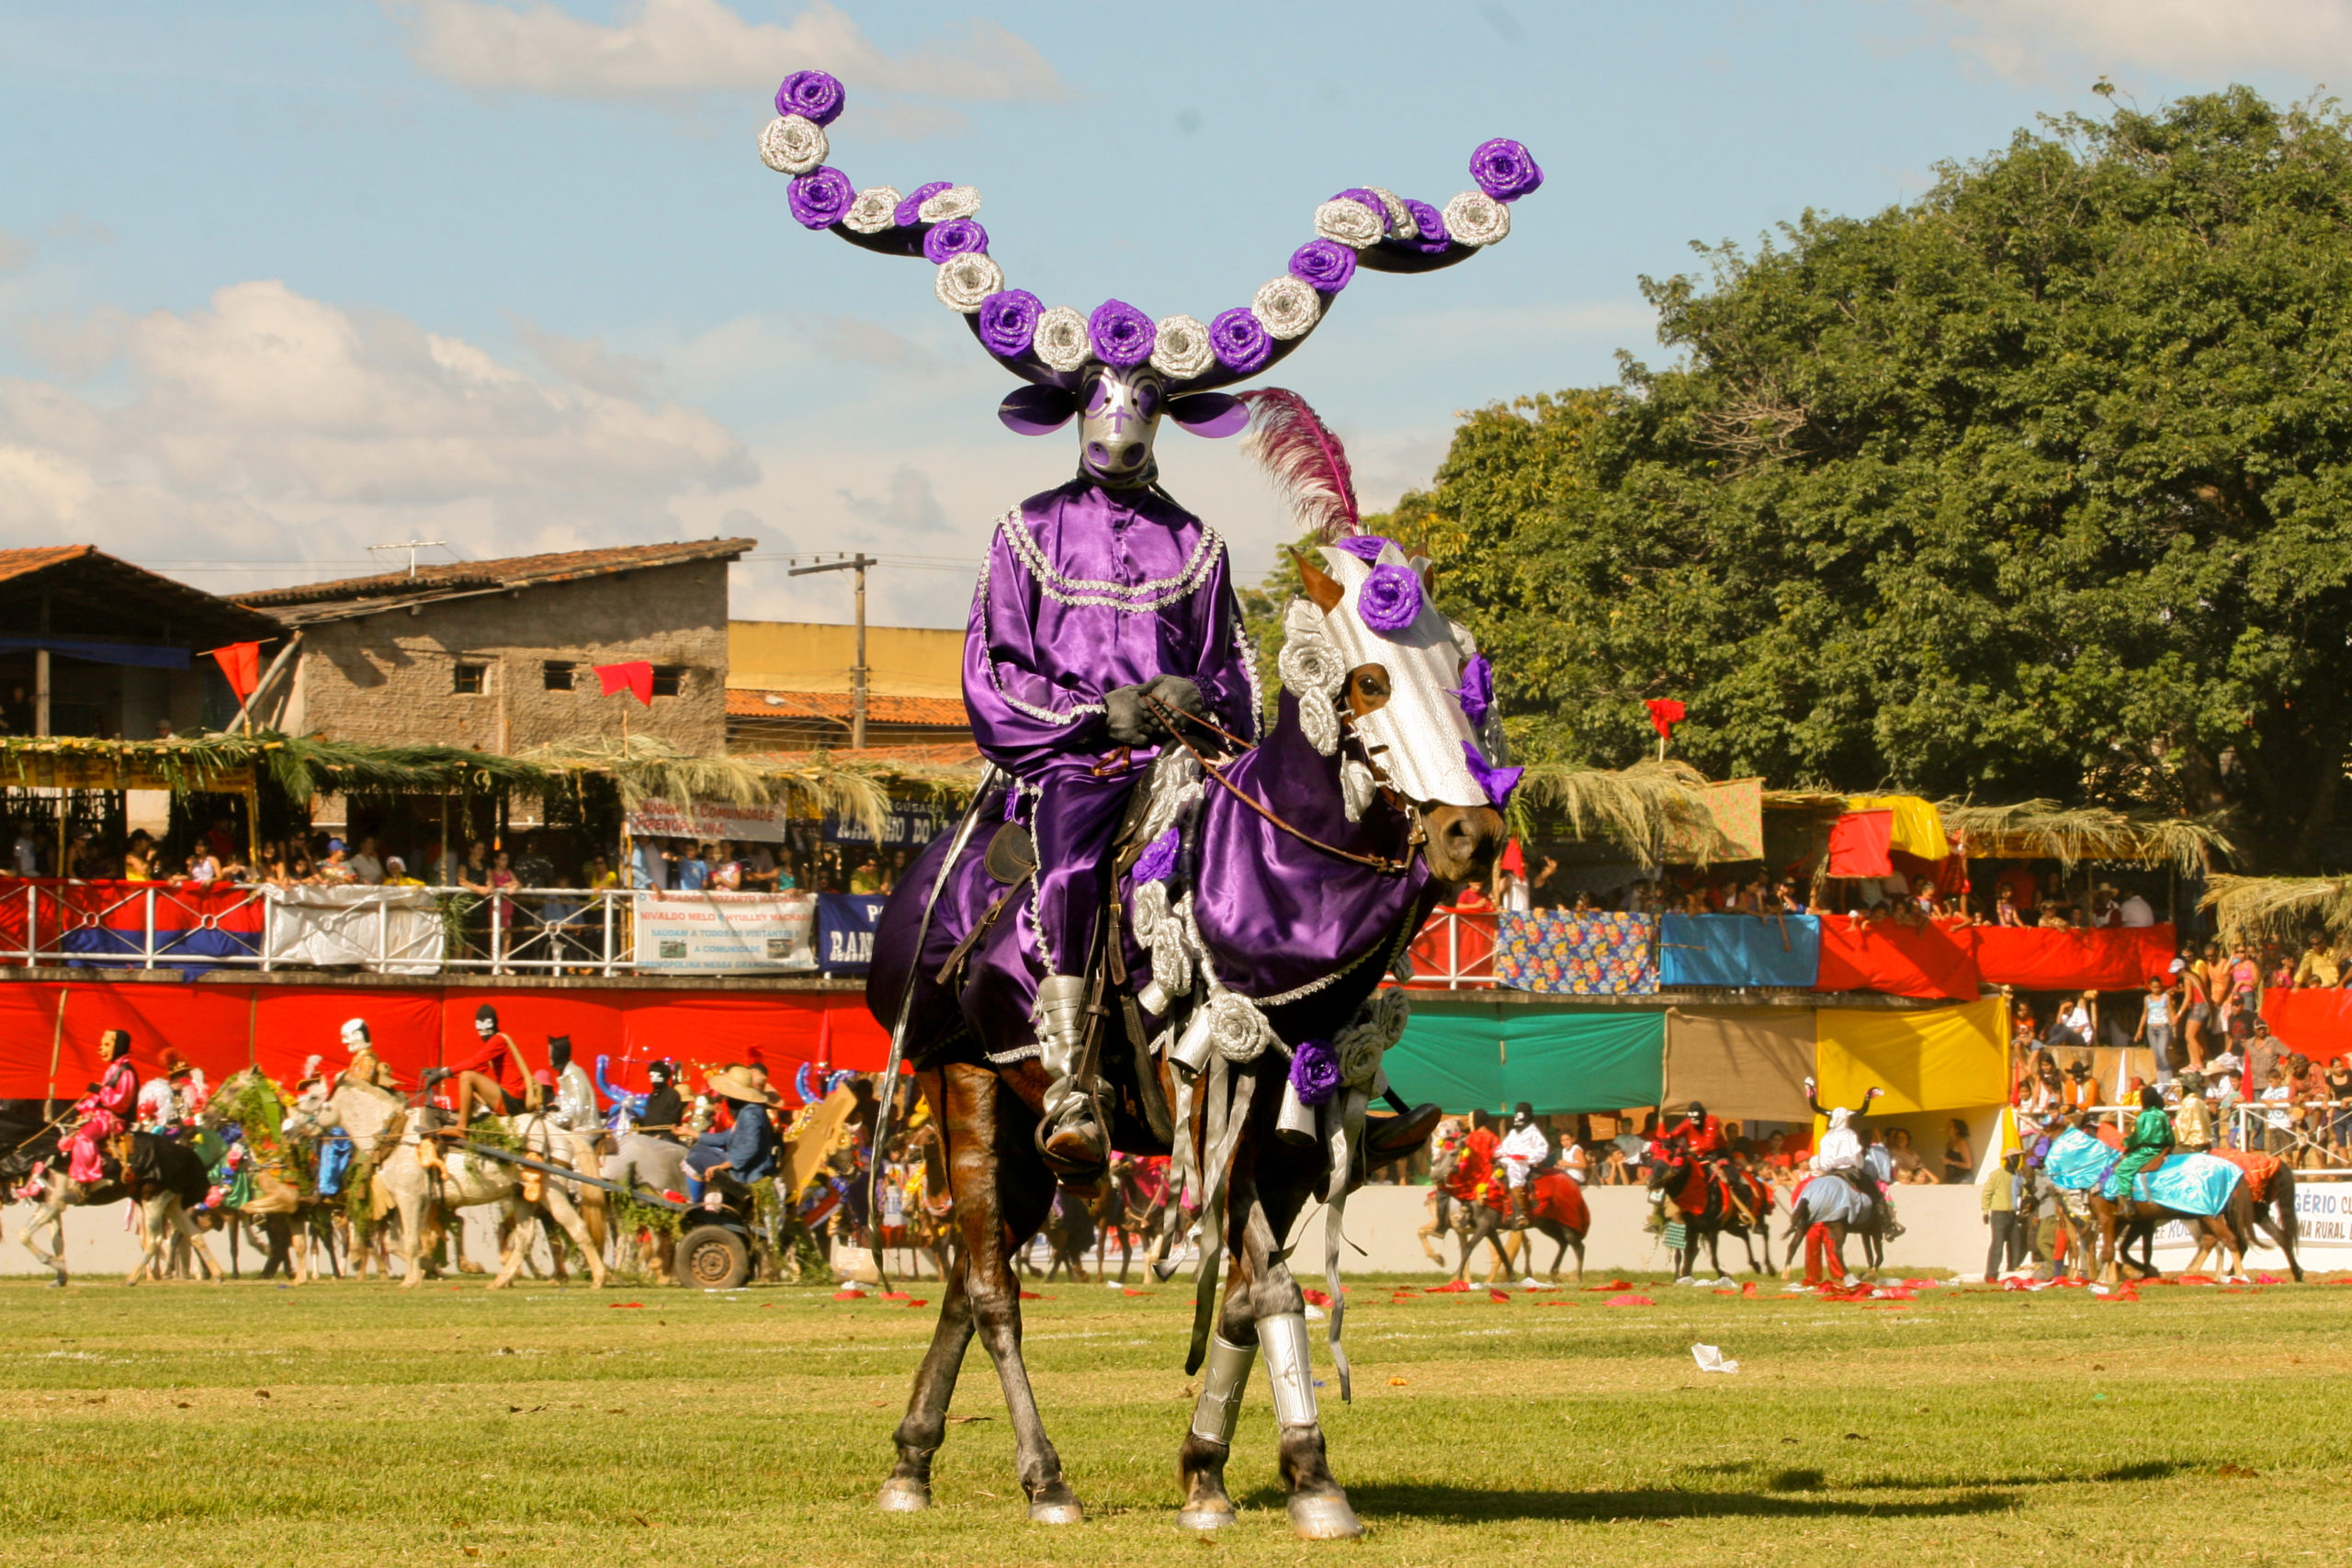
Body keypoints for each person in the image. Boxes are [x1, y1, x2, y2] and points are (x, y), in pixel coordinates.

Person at [683, 1065, 783, 1207]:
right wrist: (689, 1132)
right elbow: (725, 1137)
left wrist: (722, 1166)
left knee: (695, 1158)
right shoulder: (745, 1111)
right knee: (697, 1149)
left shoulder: (750, 1114)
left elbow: (750, 1147)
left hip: (748, 1172)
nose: (726, 1098)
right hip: (742, 1163)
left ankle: (696, 1203)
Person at [61, 1029, 139, 1186]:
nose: (101, 1048)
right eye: (102, 1044)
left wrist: (100, 1090)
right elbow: (102, 1097)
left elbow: (121, 1101)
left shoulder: (126, 1072)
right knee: (68, 1131)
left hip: (113, 1119)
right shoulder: (114, 1068)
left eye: (107, 1044)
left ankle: (85, 1180)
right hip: (101, 1114)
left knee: (84, 1136)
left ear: (119, 1046)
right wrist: (85, 1106)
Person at [447, 1004, 538, 1129]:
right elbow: (479, 1069)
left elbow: (475, 1062)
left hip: (512, 1099)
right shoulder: (495, 1042)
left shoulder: (498, 1040)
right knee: (466, 1079)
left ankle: (461, 1127)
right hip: (510, 1098)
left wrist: (445, 1072)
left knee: (467, 1077)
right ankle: (469, 1118)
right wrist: (447, 1074)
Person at [2104, 1083, 2176, 1201]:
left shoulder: (2144, 1116)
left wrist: (2126, 1142)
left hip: (2148, 1151)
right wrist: (2169, 1148)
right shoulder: (2162, 1114)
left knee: (2122, 1170)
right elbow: (2170, 1137)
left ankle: (2127, 1202)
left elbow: (2139, 1138)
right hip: (2162, 1150)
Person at [1495, 1103, 1549, 1220]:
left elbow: (1542, 1150)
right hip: (1507, 1159)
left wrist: (1526, 1157)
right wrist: (1495, 1153)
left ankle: (1521, 1212)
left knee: (1514, 1176)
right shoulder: (1513, 1132)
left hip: (1521, 1163)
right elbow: (1504, 1146)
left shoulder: (1534, 1133)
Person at [1982, 1148, 2023, 1280]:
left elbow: (2024, 1189)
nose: (2017, 1160)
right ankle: (1991, 1274)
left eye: (2018, 1158)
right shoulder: (1997, 1174)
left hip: (2013, 1213)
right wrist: (1985, 1211)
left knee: (2015, 1243)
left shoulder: (2018, 1174)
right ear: (2008, 1159)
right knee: (1998, 1244)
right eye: (2015, 1158)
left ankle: (2012, 1270)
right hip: (1999, 1213)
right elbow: (1987, 1193)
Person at [2136, 974, 2177, 1084]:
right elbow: (2145, 1014)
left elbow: (2171, 1011)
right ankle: (2161, 1080)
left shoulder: (2166, 997)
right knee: (2156, 1055)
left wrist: (2174, 1023)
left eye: (2158, 987)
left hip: (2163, 1027)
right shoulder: (2147, 999)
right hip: (2151, 1029)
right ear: (2150, 986)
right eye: (2154, 987)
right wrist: (2140, 1029)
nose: (2156, 989)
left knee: (2162, 1052)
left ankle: (2168, 1080)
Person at [2171, 1069, 2214, 1151]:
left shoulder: (2189, 1102)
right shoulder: (2200, 1101)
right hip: (2202, 1141)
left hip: (2190, 1143)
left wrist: (2173, 1135)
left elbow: (2183, 1126)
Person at [1942, 1117, 1974, 1184]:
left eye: (1950, 1126)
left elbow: (1969, 1165)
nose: (1947, 1128)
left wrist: (1951, 1162)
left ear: (1956, 1130)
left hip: (1963, 1178)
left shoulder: (1962, 1143)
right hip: (1952, 1178)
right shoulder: (1949, 1144)